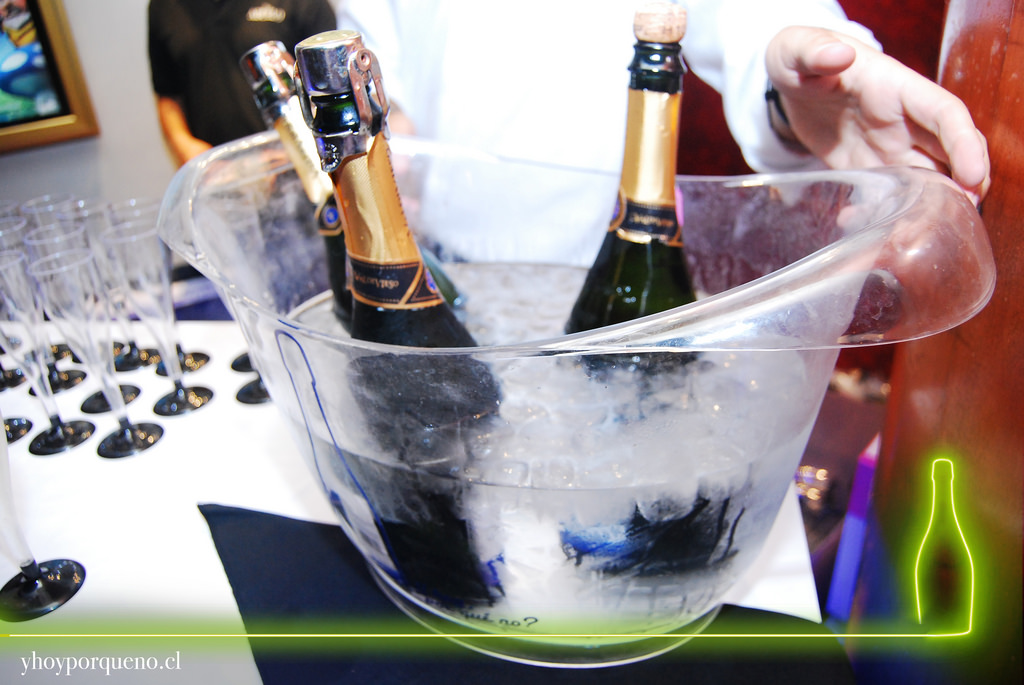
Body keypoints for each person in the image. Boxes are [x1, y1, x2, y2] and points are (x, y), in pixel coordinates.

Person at [336, 0, 989, 205]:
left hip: (612, 287)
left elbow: (758, 17)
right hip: (434, 273)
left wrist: (817, 80)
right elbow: (378, 67)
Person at [148, 0, 336, 166]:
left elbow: (330, 91)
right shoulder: (165, 7)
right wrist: (188, 150)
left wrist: (301, 149)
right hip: (216, 178)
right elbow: (168, 95)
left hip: (297, 170)